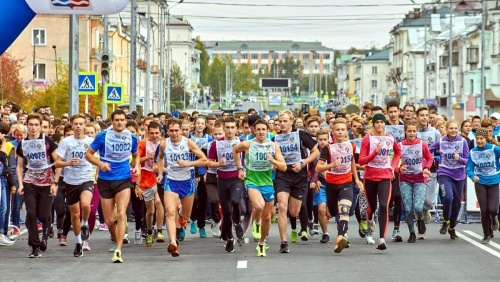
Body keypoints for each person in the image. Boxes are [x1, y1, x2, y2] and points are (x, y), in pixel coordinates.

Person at [85, 110, 140, 263]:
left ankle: (118, 249)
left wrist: (137, 167)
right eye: (116, 120)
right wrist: (100, 163)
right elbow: (88, 154)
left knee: (122, 213)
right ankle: (117, 240)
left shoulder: (131, 137)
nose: (119, 123)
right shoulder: (103, 136)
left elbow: (136, 155)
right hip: (105, 179)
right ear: (112, 121)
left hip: (123, 178)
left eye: (122, 120)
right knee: (109, 220)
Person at [233, 119, 286, 257]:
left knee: (268, 217)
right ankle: (256, 222)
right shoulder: (247, 144)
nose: (261, 132)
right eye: (259, 129)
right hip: (252, 181)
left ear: (268, 130)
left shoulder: (273, 146)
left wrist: (273, 160)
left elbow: (284, 167)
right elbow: (235, 151)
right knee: (258, 206)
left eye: (264, 129)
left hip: (267, 183)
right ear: (254, 131)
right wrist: (240, 168)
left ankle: (261, 243)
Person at [155, 118, 208, 257]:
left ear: (181, 130)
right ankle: (173, 242)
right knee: (169, 212)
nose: (174, 134)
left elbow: (203, 159)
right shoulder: (163, 144)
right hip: (171, 181)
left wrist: (188, 163)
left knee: (185, 215)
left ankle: (181, 218)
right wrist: (160, 173)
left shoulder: (188, 142)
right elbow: (160, 159)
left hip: (187, 181)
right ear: (167, 131)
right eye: (171, 131)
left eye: (176, 130)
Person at [273, 110, 319, 253]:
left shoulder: (300, 134)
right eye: (280, 121)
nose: (282, 123)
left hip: (299, 176)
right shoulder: (276, 139)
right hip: (283, 175)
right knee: (282, 206)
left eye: (285, 121)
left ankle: (294, 223)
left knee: (293, 212)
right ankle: (283, 242)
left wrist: (303, 163)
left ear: (292, 121)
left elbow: (316, 152)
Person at [315, 118, 363, 253]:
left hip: (346, 182)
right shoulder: (328, 148)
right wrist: (331, 165)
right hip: (331, 184)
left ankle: (340, 237)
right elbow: (318, 168)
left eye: (343, 129)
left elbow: (352, 161)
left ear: (346, 131)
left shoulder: (351, 145)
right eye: (337, 130)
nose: (340, 132)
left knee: (344, 209)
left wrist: (357, 179)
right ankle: (338, 228)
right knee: (332, 211)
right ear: (333, 132)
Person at [16, 114, 61, 258]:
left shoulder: (47, 141)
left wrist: (55, 182)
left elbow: (58, 163)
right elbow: (19, 166)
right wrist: (21, 183)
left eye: (36, 125)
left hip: (46, 183)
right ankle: (34, 246)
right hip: (30, 182)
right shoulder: (23, 143)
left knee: (43, 215)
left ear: (41, 126)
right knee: (30, 213)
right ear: (27, 126)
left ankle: (45, 237)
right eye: (31, 124)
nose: (33, 127)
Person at [358, 113, 401, 250]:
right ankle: (369, 220)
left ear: (384, 124)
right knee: (372, 208)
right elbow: (361, 161)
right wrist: (375, 152)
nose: (380, 125)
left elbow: (398, 152)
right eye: (377, 122)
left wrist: (393, 166)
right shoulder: (367, 139)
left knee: (383, 206)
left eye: (382, 123)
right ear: (373, 124)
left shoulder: (390, 139)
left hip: (385, 176)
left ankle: (381, 239)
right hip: (370, 176)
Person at [55, 114, 95, 257]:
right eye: (76, 124)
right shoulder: (66, 142)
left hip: (86, 178)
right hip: (70, 181)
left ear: (85, 125)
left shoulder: (91, 141)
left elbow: (98, 158)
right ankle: (78, 242)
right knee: (74, 214)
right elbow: (57, 162)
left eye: (81, 124)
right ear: (72, 125)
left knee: (85, 205)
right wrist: (68, 163)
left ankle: (85, 223)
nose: (78, 126)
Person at [207, 117, 245, 252]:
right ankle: (229, 239)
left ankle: (238, 223)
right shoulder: (215, 144)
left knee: (235, 201)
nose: (229, 130)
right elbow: (209, 162)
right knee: (227, 212)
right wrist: (218, 164)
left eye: (232, 127)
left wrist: (243, 169)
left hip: (236, 178)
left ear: (237, 129)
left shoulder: (241, 142)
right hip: (222, 180)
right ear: (223, 128)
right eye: (227, 127)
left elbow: (248, 160)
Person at [428, 120, 469, 240]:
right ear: (446, 129)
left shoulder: (463, 141)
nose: (454, 131)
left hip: (459, 175)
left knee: (456, 202)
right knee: (447, 197)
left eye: (456, 128)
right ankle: (445, 220)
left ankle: (452, 227)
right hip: (444, 173)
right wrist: (431, 158)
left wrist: (459, 159)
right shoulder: (441, 141)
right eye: (451, 128)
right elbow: (428, 149)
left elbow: (467, 160)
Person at [396, 122, 433, 242]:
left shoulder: (422, 144)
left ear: (416, 132)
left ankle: (420, 219)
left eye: (414, 131)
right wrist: (399, 169)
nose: (412, 133)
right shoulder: (399, 145)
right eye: (409, 131)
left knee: (417, 207)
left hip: (419, 178)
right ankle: (412, 232)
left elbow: (429, 158)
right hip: (405, 179)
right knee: (408, 208)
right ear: (405, 132)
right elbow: (394, 162)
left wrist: (426, 168)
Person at [466, 128, 500, 243]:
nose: (479, 141)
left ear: (486, 138)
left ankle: (495, 218)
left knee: (492, 209)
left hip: (494, 181)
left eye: (482, 139)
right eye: (477, 139)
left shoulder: (494, 149)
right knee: (484, 210)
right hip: (480, 182)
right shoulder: (473, 152)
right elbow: (469, 168)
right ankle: (487, 234)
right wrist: (472, 176)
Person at [137, 121, 165, 247]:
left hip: (160, 178)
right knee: (150, 210)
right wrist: (147, 157)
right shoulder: (142, 144)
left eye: (157, 133)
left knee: (159, 202)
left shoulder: (164, 142)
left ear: (161, 132)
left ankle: (159, 231)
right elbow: (134, 162)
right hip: (146, 178)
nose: (154, 136)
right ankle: (149, 231)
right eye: (152, 133)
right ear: (148, 132)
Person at [416, 107, 441, 224]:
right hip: (415, 168)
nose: (424, 117)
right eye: (422, 115)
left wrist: (438, 159)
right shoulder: (412, 131)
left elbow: (440, 150)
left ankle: (426, 209)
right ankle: (419, 213)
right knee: (417, 199)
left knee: (429, 200)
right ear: (417, 117)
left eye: (426, 115)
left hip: (431, 168)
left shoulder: (435, 132)